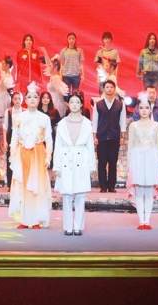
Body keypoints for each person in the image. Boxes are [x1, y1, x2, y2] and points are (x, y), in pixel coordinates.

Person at [8, 87, 54, 229]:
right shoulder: (19, 117)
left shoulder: (44, 118)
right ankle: (24, 219)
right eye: (29, 97)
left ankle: (36, 220)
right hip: (23, 154)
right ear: (26, 100)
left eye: (35, 97)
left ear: (39, 100)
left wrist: (48, 156)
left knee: (37, 186)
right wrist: (12, 154)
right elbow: (14, 137)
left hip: (38, 153)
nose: (32, 99)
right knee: (23, 186)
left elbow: (49, 139)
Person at [54, 93, 96, 236]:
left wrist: (92, 166)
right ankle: (68, 226)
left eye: (77, 102)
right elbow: (58, 146)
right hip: (66, 160)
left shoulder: (87, 124)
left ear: (81, 104)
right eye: (72, 102)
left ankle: (78, 226)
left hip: (81, 160)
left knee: (80, 195)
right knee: (66, 195)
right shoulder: (62, 124)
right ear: (68, 104)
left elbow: (90, 146)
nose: (74, 105)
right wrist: (56, 166)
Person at [127, 97, 158, 230]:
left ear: (150, 109)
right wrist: (129, 164)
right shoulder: (133, 125)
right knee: (139, 190)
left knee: (148, 190)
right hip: (137, 158)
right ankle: (141, 220)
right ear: (137, 109)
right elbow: (130, 146)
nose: (144, 110)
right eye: (141, 108)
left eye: (146, 108)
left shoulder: (156, 125)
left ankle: (147, 221)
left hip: (151, 159)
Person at [131, 85, 158, 195]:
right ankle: (143, 184)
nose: (151, 95)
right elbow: (135, 118)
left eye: (153, 92)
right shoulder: (139, 106)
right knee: (143, 161)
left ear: (157, 94)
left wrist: (155, 130)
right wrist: (145, 130)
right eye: (149, 92)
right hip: (142, 138)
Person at [92, 79, 126, 193]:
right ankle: (103, 186)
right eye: (107, 87)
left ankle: (111, 186)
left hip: (114, 137)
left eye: (111, 87)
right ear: (103, 89)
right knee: (102, 162)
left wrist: (122, 137)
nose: (109, 89)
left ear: (114, 89)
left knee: (113, 162)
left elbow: (122, 122)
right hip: (101, 137)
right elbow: (95, 122)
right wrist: (95, 136)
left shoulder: (120, 105)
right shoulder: (98, 104)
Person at [0, 90, 25, 188]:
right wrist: (5, 141)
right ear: (12, 100)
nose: (17, 100)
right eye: (15, 99)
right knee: (11, 160)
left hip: (22, 138)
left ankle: (21, 184)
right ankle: (11, 184)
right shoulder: (9, 111)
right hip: (11, 137)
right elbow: (5, 127)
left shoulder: (25, 111)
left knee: (22, 160)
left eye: (19, 98)